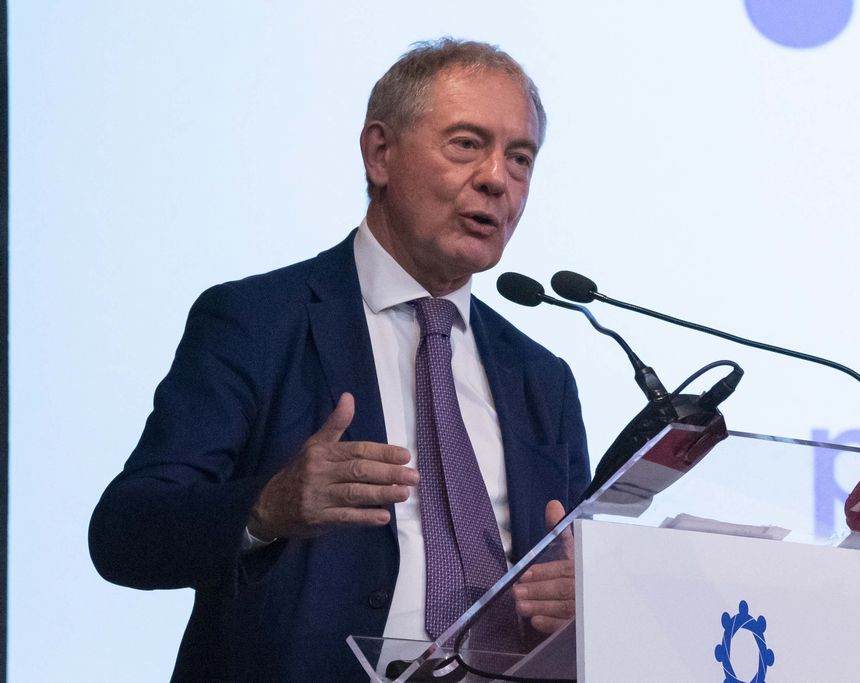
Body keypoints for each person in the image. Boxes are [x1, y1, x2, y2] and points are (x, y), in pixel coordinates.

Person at [89, 38, 590, 681]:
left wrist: (585, 600)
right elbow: (125, 534)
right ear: (380, 153)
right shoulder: (256, 322)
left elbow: (572, 575)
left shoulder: (542, 379)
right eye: (467, 144)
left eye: (520, 158)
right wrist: (266, 507)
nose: (497, 178)